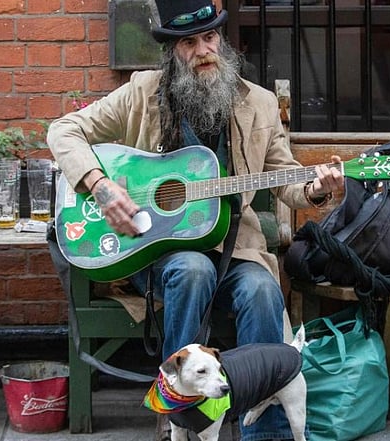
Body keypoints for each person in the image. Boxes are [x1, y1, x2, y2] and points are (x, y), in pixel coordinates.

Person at [46, 1, 344, 440]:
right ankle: (179, 418)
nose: (204, 50)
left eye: (210, 38)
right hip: (157, 252)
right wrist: (102, 187)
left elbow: (286, 181)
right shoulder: (141, 93)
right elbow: (62, 130)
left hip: (234, 249)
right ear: (172, 51)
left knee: (263, 289)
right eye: (190, 42)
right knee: (191, 268)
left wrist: (317, 188)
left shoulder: (257, 103)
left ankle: (266, 431)